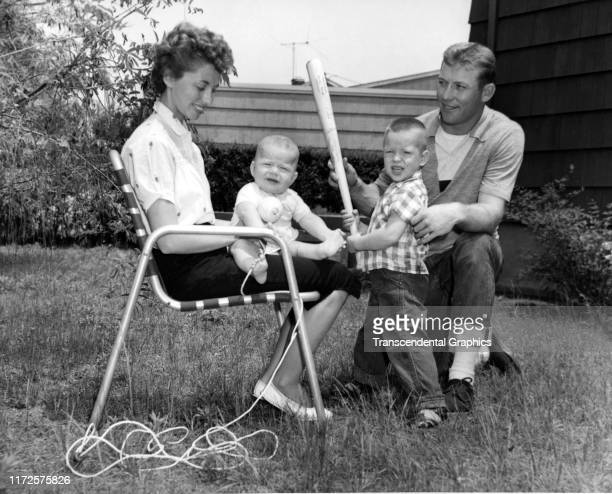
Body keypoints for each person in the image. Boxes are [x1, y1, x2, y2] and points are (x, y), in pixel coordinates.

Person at [121, 22, 360, 421]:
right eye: (201, 86)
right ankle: (283, 382)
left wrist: (235, 237)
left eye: (214, 88)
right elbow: (169, 240)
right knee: (338, 279)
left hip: (209, 254)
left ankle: (278, 380)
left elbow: (193, 222)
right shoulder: (152, 142)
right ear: (168, 76)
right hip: (191, 269)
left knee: (325, 275)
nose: (208, 98)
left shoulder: (177, 137)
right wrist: (241, 235)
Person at [329, 42, 524, 412]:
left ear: (487, 92)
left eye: (459, 87)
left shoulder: (505, 135)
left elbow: (492, 214)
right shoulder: (419, 129)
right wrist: (354, 186)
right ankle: (477, 345)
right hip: (419, 267)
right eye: (441, 82)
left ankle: (462, 376)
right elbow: (382, 201)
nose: (446, 96)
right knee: (406, 331)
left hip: (464, 262)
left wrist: (452, 213)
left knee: (477, 243)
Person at [342, 117, 448, 428]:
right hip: (386, 274)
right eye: (390, 153)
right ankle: (368, 383)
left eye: (406, 153)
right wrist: (358, 225)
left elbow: (389, 236)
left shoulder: (411, 191)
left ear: (423, 158)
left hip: (401, 277)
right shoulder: (395, 189)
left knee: (403, 336)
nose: (397, 160)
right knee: (374, 330)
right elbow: (382, 233)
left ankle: (429, 402)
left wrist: (358, 242)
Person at [230, 135, 346, 283]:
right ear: (253, 168)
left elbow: (307, 218)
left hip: (282, 246)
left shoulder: (291, 197)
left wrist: (327, 234)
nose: (274, 171)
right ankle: (254, 267)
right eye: (267, 164)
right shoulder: (249, 191)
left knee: (295, 247)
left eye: (283, 168)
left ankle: (320, 251)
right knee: (239, 246)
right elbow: (247, 212)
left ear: (293, 178)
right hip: (252, 241)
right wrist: (262, 231)